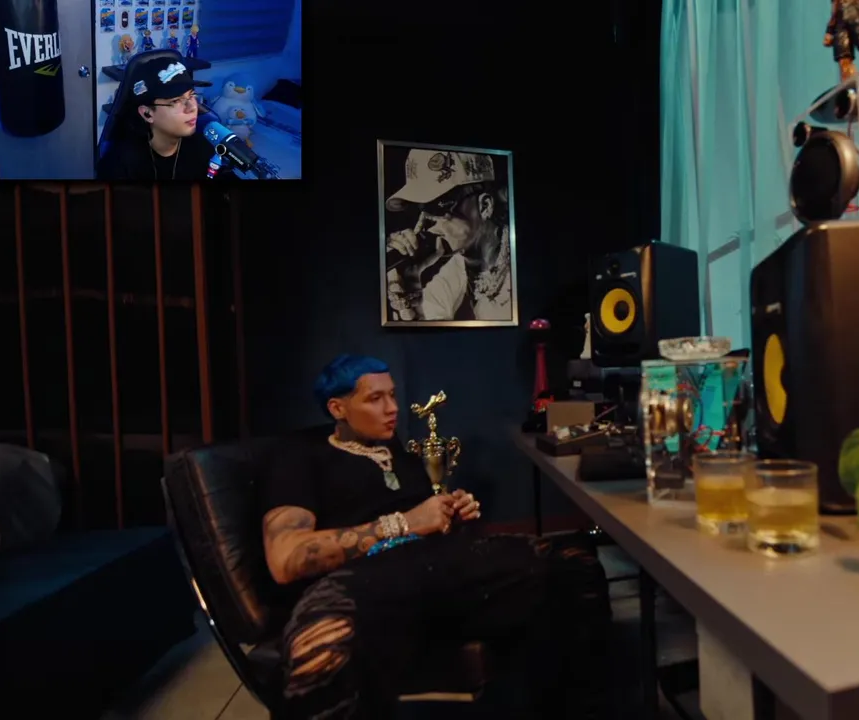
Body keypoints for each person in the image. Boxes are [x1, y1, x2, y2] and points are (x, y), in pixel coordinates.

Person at [258, 354, 612, 719]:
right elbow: (286, 558)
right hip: (362, 580)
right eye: (375, 398)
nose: (393, 408)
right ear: (338, 408)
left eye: (392, 395)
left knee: (574, 561)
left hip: (440, 568)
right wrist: (404, 523)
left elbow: (426, 522)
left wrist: (451, 515)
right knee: (322, 644)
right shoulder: (299, 456)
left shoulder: (397, 454)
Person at [384, 149, 513, 322]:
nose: (421, 225)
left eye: (436, 208)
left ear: (485, 206)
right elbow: (427, 330)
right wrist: (411, 281)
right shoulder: (455, 271)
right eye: (419, 210)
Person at [97, 56, 234, 181]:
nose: (192, 107)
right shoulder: (120, 165)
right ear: (147, 114)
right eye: (176, 101)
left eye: (191, 95)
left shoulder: (204, 147)